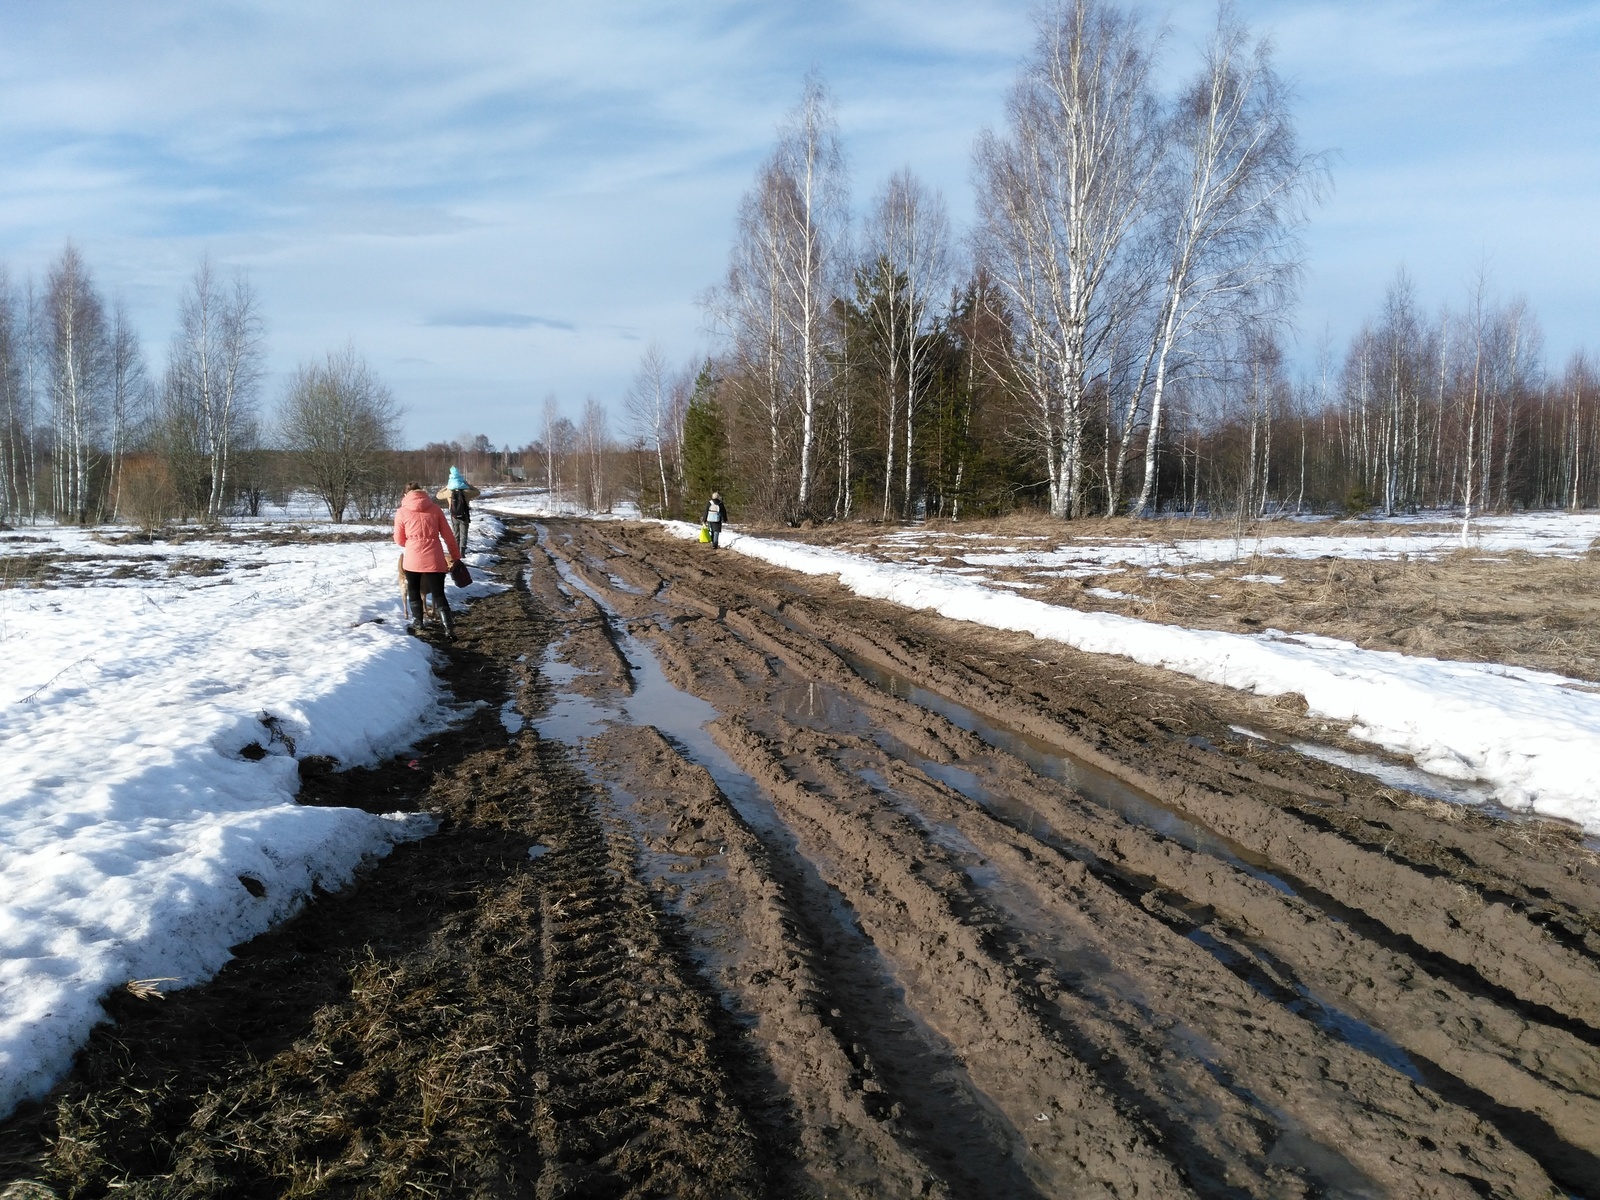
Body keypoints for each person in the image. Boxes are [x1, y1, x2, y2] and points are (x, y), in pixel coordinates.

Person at [395, 481, 462, 639]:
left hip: (412, 558)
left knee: (414, 590)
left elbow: (398, 539)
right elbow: (449, 537)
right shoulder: (435, 509)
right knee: (439, 594)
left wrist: (412, 543)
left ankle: (418, 623)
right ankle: (448, 627)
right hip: (434, 557)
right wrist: (456, 556)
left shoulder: (402, 512)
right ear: (422, 492)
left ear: (406, 495)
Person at [436, 466, 480, 556]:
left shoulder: (449, 492)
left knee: (456, 534)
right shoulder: (466, 491)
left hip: (454, 515)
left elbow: (438, 495)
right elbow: (477, 492)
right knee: (464, 533)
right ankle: (462, 552)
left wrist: (446, 487)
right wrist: (467, 484)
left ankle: (456, 552)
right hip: (464, 514)